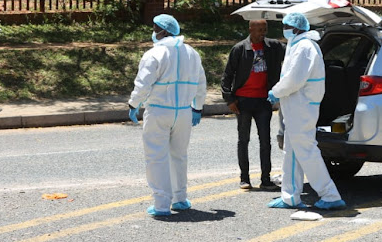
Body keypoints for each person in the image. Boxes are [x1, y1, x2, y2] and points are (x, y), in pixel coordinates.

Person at [128, 14, 208, 217]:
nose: (153, 32)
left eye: (155, 28)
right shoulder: (192, 53)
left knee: (156, 156)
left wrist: (133, 104)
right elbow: (201, 83)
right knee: (179, 156)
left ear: (164, 31)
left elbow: (143, 83)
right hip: (183, 112)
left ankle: (162, 204)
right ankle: (180, 198)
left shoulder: (154, 54)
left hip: (158, 110)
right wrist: (197, 107)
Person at [266, 12, 346, 210]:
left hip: (301, 107)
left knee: (307, 151)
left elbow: (294, 79)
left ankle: (330, 195)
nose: (283, 29)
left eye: (286, 25)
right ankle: (290, 197)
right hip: (297, 106)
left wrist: (276, 91)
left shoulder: (304, 47)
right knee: (291, 153)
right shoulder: (299, 45)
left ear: (295, 28)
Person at [221, 19, 285, 190]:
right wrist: (229, 99)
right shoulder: (240, 49)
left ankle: (265, 179)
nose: (261, 33)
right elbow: (227, 76)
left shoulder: (273, 47)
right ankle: (245, 178)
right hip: (243, 101)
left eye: (264, 29)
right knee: (243, 140)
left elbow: (293, 55)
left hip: (263, 100)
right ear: (250, 29)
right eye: (258, 30)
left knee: (265, 141)